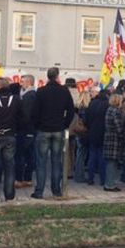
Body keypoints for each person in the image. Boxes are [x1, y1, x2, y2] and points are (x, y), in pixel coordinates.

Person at [30, 67, 74, 199]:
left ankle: (39, 191)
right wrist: (64, 124)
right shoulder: (64, 91)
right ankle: (56, 190)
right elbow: (71, 111)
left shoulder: (41, 91)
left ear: (48, 77)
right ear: (57, 76)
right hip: (58, 129)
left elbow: (35, 112)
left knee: (41, 162)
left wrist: (37, 126)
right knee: (57, 161)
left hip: (43, 130)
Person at [15, 74, 37, 188]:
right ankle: (28, 179)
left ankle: (20, 179)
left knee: (21, 155)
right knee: (29, 155)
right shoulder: (30, 94)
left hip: (25, 130)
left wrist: (18, 126)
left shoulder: (29, 96)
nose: (20, 83)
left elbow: (26, 115)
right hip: (30, 130)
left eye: (22, 81)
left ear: (29, 83)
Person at [85, 89, 110, 186]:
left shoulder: (92, 103)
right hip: (103, 133)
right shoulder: (107, 105)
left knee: (92, 156)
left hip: (92, 132)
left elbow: (86, 119)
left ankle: (90, 178)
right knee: (102, 157)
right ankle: (103, 179)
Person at [102, 94, 124, 192]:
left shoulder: (109, 109)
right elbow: (119, 127)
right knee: (112, 162)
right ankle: (110, 184)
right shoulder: (116, 112)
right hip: (114, 139)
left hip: (108, 137)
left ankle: (109, 182)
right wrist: (123, 135)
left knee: (109, 162)